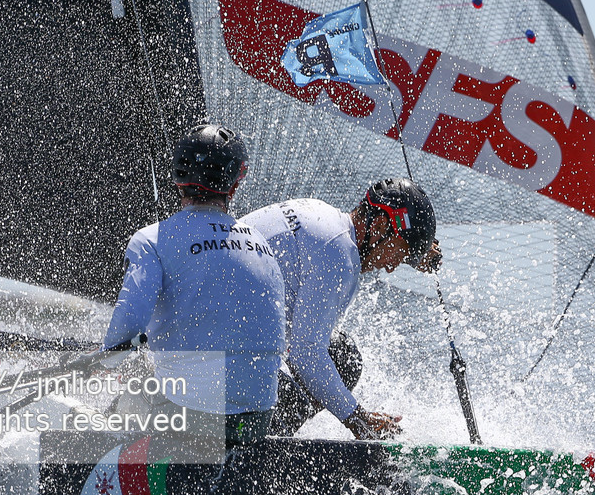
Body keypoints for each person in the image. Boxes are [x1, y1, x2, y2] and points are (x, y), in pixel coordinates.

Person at [99, 120, 285, 444]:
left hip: (190, 418)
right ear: (234, 185)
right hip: (258, 418)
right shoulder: (262, 244)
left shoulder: (150, 240)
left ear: (177, 179)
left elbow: (123, 335)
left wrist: (104, 358)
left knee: (121, 400)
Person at [239, 178, 441, 440]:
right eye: (398, 255)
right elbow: (305, 354)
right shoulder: (338, 257)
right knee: (325, 371)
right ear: (380, 225)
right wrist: (359, 419)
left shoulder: (322, 217)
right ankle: (255, 447)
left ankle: (268, 433)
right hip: (215, 366)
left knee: (341, 354)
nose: (391, 267)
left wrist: (413, 251)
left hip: (207, 340)